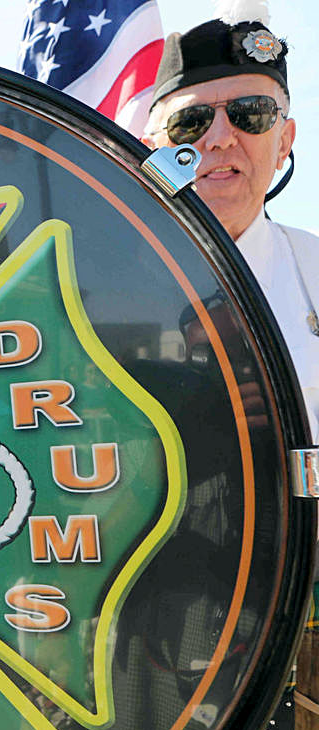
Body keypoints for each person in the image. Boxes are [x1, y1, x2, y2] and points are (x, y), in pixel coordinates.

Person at [141, 9, 319, 435]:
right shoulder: (99, 284)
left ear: (284, 143)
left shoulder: (314, 270)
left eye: (251, 113)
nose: (220, 137)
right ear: (153, 150)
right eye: (190, 122)